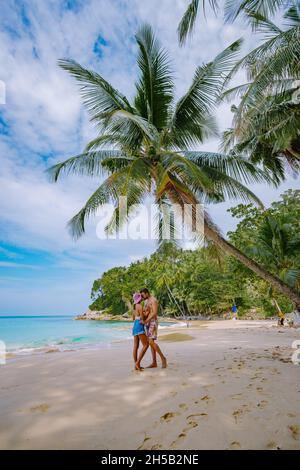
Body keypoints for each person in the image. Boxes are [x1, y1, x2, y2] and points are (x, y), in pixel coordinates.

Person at [140, 288, 167, 369]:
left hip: (153, 322)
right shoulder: (145, 301)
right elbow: (146, 312)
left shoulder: (153, 300)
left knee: (151, 342)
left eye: (143, 295)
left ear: (147, 293)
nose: (143, 297)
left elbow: (154, 312)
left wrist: (146, 320)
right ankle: (154, 362)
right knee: (150, 342)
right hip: (148, 323)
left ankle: (163, 358)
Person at [132, 292, 149, 371]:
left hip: (134, 326)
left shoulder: (134, 307)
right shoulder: (140, 306)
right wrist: (147, 313)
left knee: (135, 347)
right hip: (139, 326)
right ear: (139, 299)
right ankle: (138, 363)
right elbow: (142, 318)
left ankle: (136, 365)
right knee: (146, 345)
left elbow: (133, 318)